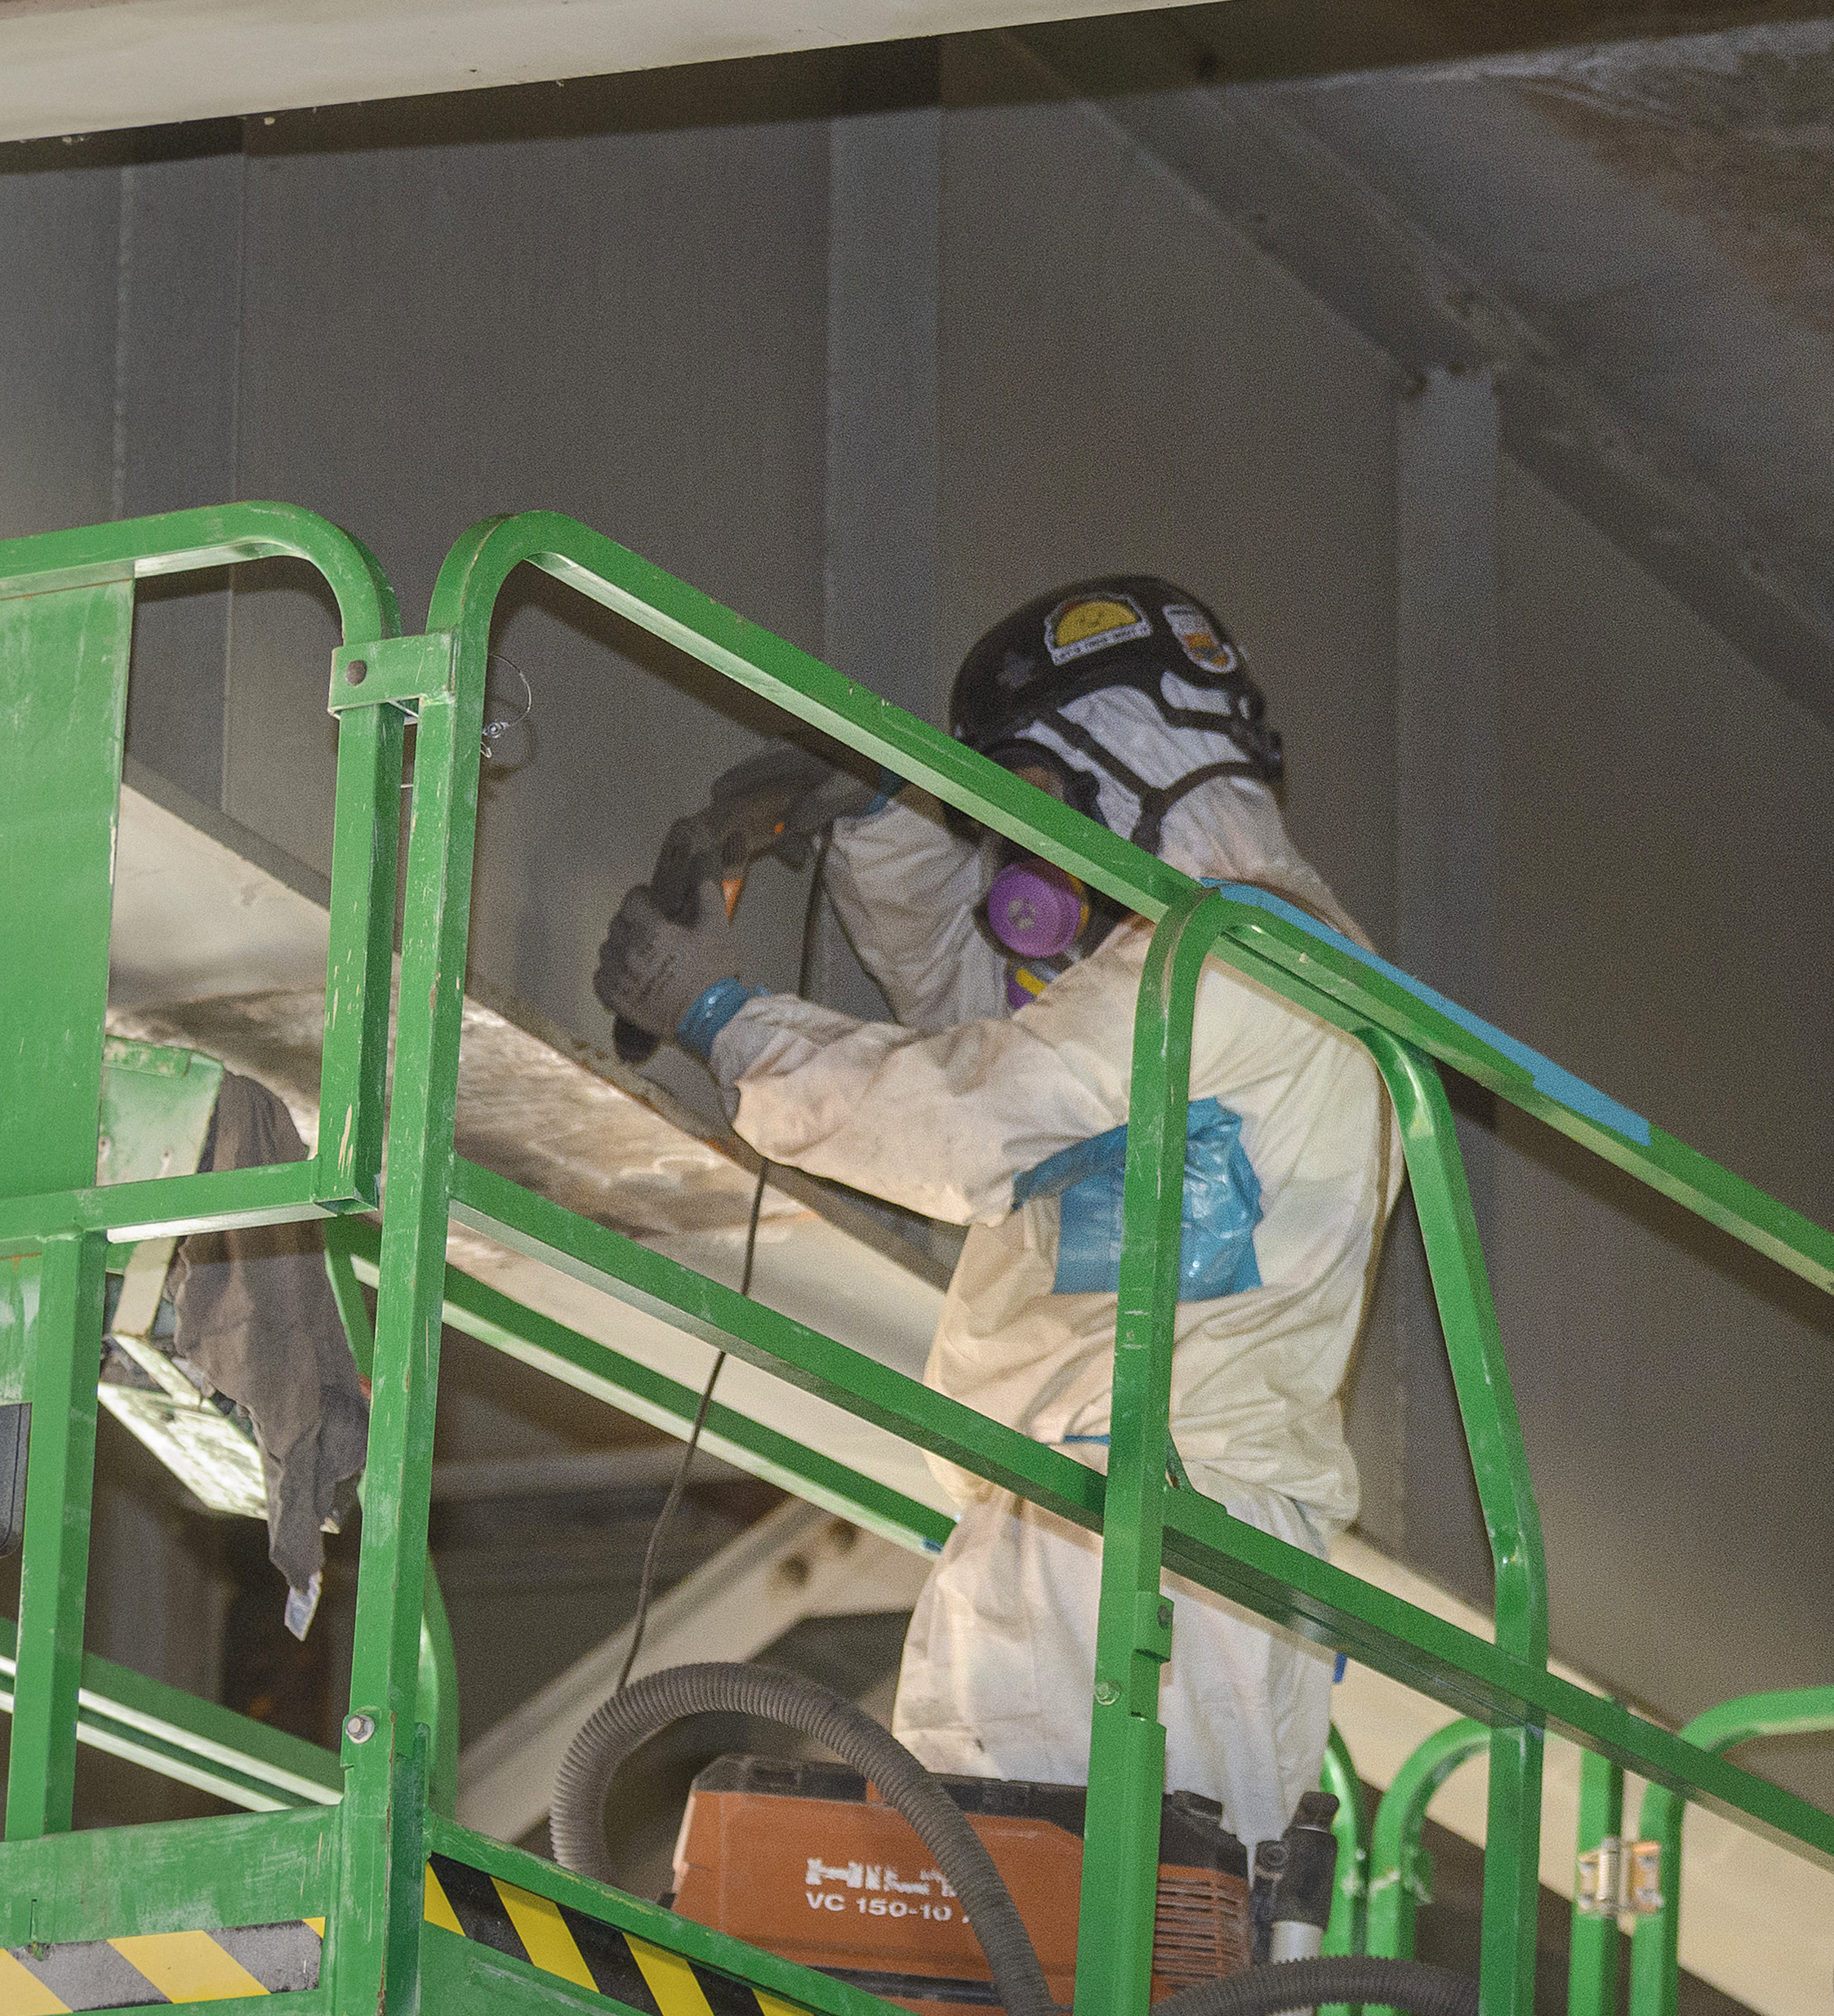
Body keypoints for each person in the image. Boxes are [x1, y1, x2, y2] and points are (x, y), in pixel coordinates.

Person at [591, 574, 1396, 1848]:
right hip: (1107, 1534)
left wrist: (721, 1022)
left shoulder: (1240, 965)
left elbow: (977, 1112)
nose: (1025, 848)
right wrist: (877, 831)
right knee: (1032, 1970)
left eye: (1035, 800)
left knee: (1048, 1970)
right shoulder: (1207, 970)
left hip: (1150, 1549)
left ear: (1120, 764)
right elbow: (998, 1036)